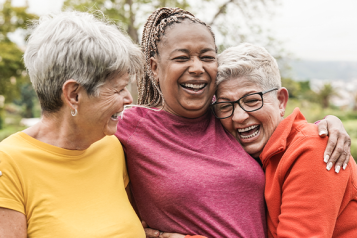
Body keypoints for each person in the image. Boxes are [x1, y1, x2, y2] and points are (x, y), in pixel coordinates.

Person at [116, 7, 351, 238]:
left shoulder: (223, 120)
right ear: (154, 68)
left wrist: (323, 128)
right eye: (181, 57)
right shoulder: (132, 127)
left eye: (207, 57)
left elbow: (289, 135)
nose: (239, 116)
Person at [0, 11, 145, 237]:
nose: (128, 99)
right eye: (118, 89)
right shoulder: (8, 164)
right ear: (74, 95)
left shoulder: (112, 146)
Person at [211, 43, 357, 237]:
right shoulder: (254, 154)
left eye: (252, 100)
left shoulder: (313, 149)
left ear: (281, 101)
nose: (238, 116)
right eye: (225, 106)